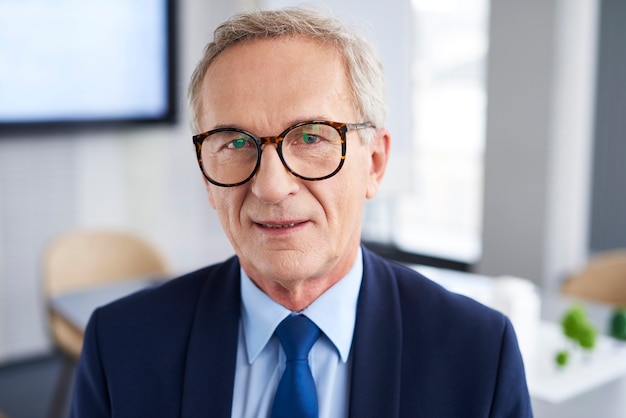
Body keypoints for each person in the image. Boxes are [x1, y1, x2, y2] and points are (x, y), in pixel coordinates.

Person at [71, 7, 532, 418]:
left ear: (374, 163)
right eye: (234, 142)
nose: (270, 186)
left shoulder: (479, 355)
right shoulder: (120, 345)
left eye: (311, 137)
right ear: (206, 177)